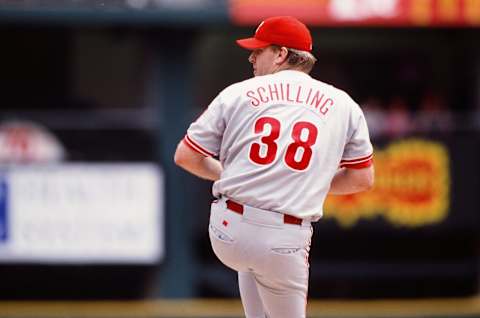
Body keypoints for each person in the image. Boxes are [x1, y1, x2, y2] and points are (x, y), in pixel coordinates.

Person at [174, 16, 374, 318]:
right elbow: (362, 179)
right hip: (283, 238)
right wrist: (306, 181)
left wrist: (232, 175)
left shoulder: (237, 92)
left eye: (259, 50)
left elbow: (185, 156)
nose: (252, 56)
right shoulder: (344, 104)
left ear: (281, 54)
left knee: (254, 271)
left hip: (227, 232)